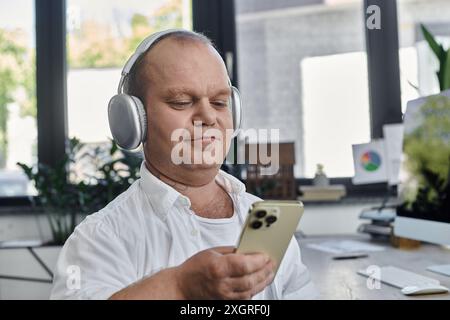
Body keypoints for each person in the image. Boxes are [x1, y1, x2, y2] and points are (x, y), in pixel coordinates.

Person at [50, 29, 317, 300]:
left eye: (220, 102)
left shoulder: (263, 219)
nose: (209, 116)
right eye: (181, 102)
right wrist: (177, 288)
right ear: (134, 121)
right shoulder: (99, 239)